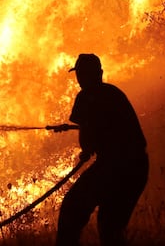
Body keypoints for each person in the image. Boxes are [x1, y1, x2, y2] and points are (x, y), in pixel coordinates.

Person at [55, 53, 149, 246]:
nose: (79, 78)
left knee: (72, 210)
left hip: (115, 167)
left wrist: (86, 149)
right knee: (110, 228)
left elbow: (87, 141)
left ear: (96, 74)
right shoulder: (113, 93)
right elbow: (108, 127)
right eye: (79, 74)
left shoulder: (86, 96)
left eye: (81, 74)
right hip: (137, 168)